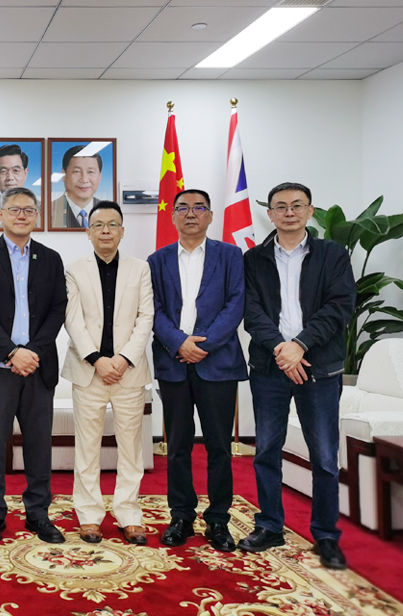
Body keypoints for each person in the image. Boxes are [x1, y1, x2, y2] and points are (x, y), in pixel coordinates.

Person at [239, 182, 355, 570]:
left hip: (319, 368)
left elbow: (339, 306)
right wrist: (282, 349)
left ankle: (326, 536)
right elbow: (252, 312)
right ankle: (270, 525)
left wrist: (301, 345)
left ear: (309, 211)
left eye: (296, 205)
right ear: (269, 213)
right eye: (281, 206)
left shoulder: (333, 255)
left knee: (324, 456)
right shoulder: (253, 259)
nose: (289, 212)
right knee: (266, 451)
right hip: (270, 368)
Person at [0, 187, 67, 545]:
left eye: (28, 209)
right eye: (14, 209)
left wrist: (31, 352)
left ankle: (38, 514)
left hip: (37, 366)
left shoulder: (50, 258)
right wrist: (11, 352)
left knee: (39, 444)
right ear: (1, 214)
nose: (21, 215)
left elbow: (58, 309)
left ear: (37, 215)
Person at [147, 189, 248, 553]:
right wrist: (179, 343)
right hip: (173, 362)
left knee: (219, 446)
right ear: (172, 216)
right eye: (183, 208)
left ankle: (218, 519)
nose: (191, 214)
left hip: (217, 363)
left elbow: (236, 303)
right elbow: (154, 308)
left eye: (199, 207)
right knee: (177, 445)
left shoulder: (231, 255)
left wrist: (202, 345)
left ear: (210, 215)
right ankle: (181, 516)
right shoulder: (157, 260)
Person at [62, 200, 154, 545]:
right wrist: (97, 359)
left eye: (112, 225)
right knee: (87, 447)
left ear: (122, 231)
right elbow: (73, 320)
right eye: (98, 225)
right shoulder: (74, 269)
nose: (105, 231)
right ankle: (89, 514)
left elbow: (146, 317)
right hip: (89, 372)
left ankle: (129, 514)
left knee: (131, 447)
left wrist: (124, 359)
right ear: (88, 232)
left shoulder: (140, 269)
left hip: (129, 373)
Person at [0, 144, 39, 228]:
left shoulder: (41, 209)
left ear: (25, 173)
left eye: (16, 170)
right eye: (3, 171)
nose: (10, 178)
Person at [51, 145, 102, 229]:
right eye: (77, 171)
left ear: (99, 176)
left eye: (90, 172)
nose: (84, 180)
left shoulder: (109, 211)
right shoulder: (47, 211)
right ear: (64, 175)